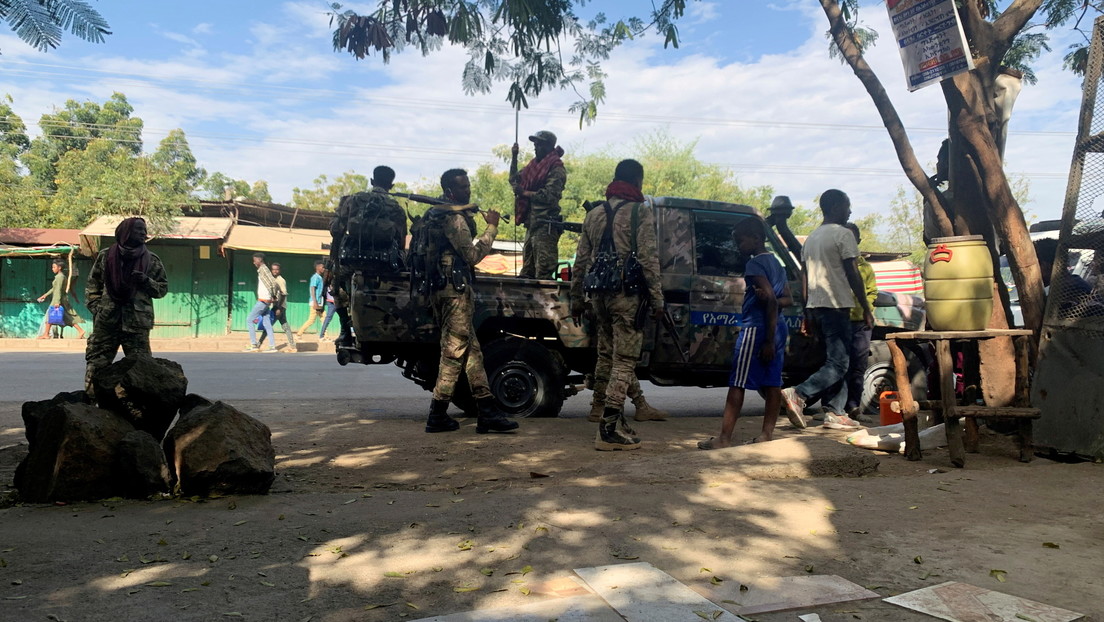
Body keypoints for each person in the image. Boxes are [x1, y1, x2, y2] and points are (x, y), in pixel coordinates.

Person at [571, 159, 664, 451]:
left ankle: (608, 413)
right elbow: (649, 259)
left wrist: (576, 298)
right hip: (627, 296)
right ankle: (609, 428)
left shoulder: (595, 213)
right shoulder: (640, 212)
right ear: (637, 182)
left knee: (609, 355)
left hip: (598, 294)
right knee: (625, 360)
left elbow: (581, 261)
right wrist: (658, 299)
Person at [422, 168, 518, 435]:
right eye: (464, 187)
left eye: (468, 186)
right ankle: (437, 414)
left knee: (472, 353)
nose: (469, 190)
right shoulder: (454, 218)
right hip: (455, 292)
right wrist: (492, 227)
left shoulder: (436, 214)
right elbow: (473, 255)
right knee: (453, 354)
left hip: (443, 290)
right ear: (451, 190)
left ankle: (487, 412)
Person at [780, 190, 873, 430]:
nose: (849, 211)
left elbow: (804, 275)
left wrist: (806, 308)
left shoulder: (812, 238)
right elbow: (852, 273)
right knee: (839, 364)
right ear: (835, 207)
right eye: (847, 206)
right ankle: (799, 394)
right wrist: (865, 307)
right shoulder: (843, 234)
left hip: (817, 307)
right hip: (837, 305)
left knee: (834, 360)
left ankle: (835, 412)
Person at [697, 217, 792, 449]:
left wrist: (767, 339)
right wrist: (772, 316)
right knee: (772, 383)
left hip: (756, 329)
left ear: (756, 239)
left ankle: (724, 438)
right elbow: (786, 299)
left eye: (740, 241)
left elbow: (769, 298)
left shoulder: (754, 265)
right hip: (778, 327)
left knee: (737, 382)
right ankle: (766, 435)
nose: (739, 246)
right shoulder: (777, 263)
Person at [84, 217, 168, 394]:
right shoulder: (106, 256)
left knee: (141, 368)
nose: (143, 233)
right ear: (126, 232)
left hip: (136, 325)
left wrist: (146, 281)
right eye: (139, 229)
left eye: (144, 230)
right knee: (96, 364)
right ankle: (93, 404)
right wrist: (98, 310)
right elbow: (93, 286)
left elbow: (162, 290)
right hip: (107, 323)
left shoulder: (151, 260)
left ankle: (139, 411)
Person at [328, 165, 406, 346]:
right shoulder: (396, 208)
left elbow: (336, 230)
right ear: (391, 186)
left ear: (372, 181)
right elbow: (401, 241)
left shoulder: (354, 200)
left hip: (352, 261)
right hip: (383, 265)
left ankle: (345, 331)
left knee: (337, 287)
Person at [822, 222, 877, 424]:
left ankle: (853, 407)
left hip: (861, 323)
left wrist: (865, 308)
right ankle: (830, 407)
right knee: (837, 365)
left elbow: (872, 293)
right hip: (840, 321)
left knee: (857, 367)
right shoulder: (836, 267)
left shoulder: (865, 267)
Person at [511, 130, 566, 279]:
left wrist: (524, 193)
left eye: (539, 144)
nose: (536, 147)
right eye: (535, 144)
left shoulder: (556, 168)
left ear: (549, 146)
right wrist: (514, 156)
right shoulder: (532, 167)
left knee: (543, 272)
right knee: (527, 272)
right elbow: (514, 179)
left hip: (545, 224)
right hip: (531, 223)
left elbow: (550, 196)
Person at [36, 257, 86, 339]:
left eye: (54, 267)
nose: (52, 269)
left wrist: (57, 302)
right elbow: (54, 288)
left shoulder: (60, 277)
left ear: (59, 268)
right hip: (59, 299)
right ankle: (80, 331)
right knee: (67, 317)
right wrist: (45, 295)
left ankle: (46, 334)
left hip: (57, 300)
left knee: (49, 315)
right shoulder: (60, 277)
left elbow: (58, 290)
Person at [257, 262, 297, 353]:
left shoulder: (280, 280)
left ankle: (258, 344)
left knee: (268, 325)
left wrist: (279, 308)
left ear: (280, 270)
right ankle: (293, 346)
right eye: (273, 269)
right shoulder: (273, 279)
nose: (275, 271)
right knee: (285, 326)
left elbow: (283, 294)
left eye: (277, 269)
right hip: (277, 306)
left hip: (279, 307)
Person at [244, 252, 278, 353]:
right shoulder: (262, 269)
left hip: (264, 300)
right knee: (267, 323)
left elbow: (272, 283)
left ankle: (254, 344)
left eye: (255, 260)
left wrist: (273, 295)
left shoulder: (263, 269)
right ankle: (272, 346)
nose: (254, 262)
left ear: (259, 260)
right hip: (266, 300)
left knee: (249, 319)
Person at [296, 260, 327, 339]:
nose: (324, 269)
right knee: (311, 320)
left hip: (319, 302)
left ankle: (324, 336)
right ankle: (299, 334)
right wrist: (315, 302)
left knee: (324, 318)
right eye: (322, 267)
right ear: (318, 268)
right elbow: (312, 289)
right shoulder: (315, 277)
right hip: (315, 302)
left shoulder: (320, 277)